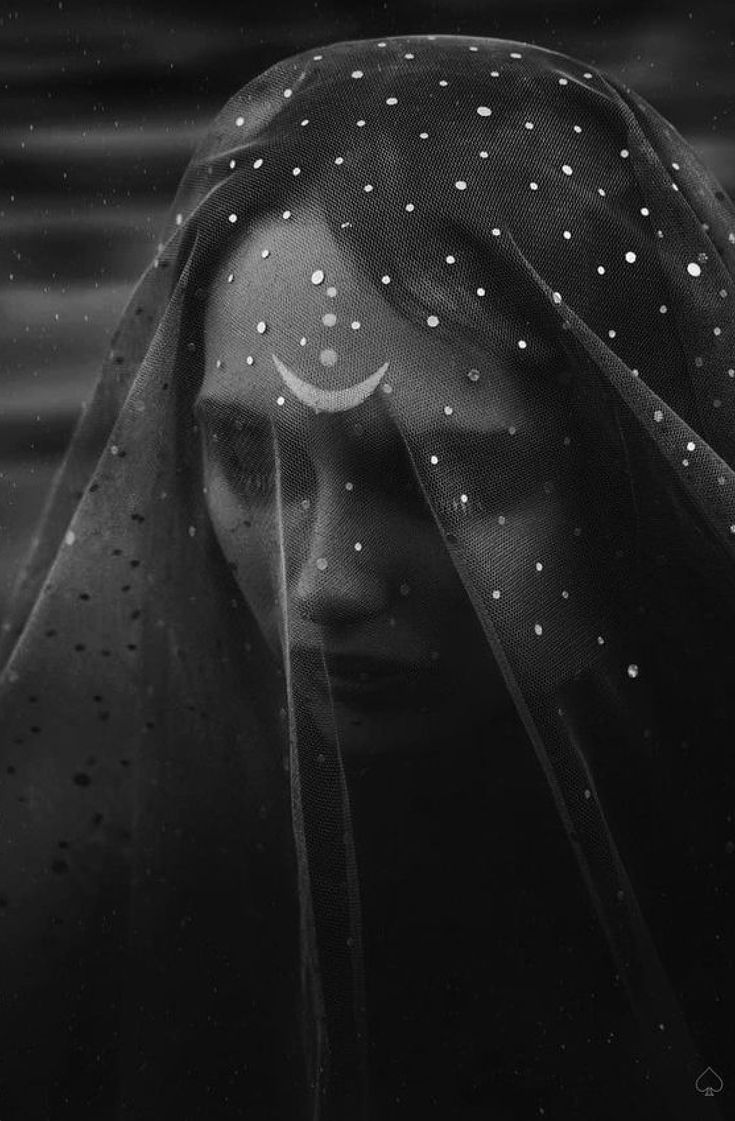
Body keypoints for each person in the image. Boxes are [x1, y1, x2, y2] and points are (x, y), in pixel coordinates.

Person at [0, 32, 734, 1120]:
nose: (327, 580)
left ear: (627, 465)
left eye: (445, 478)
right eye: (249, 458)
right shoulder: (96, 928)